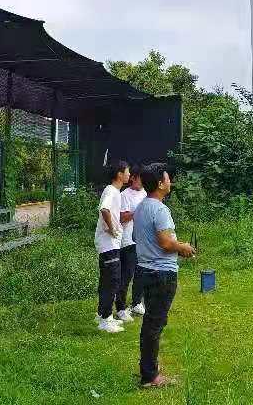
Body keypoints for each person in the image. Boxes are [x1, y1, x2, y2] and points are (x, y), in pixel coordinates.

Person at [134, 162, 196, 388]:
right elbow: (166, 243)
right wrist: (183, 247)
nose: (171, 182)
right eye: (168, 178)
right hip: (161, 274)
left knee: (151, 322)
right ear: (160, 184)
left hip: (145, 271)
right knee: (154, 324)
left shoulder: (141, 207)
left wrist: (175, 246)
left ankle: (149, 368)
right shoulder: (160, 210)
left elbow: (144, 239)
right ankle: (150, 376)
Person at [94, 160, 130, 333]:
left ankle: (102, 314)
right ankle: (106, 320)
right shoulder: (111, 191)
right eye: (127, 172)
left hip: (111, 245)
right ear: (119, 174)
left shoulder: (115, 191)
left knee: (107, 280)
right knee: (112, 281)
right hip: (108, 245)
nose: (129, 175)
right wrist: (111, 228)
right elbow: (104, 210)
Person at [115, 164, 147, 321]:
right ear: (133, 178)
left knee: (141, 273)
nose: (143, 181)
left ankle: (136, 302)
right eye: (140, 178)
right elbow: (122, 217)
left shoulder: (145, 193)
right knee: (126, 275)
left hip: (143, 240)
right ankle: (120, 308)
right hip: (128, 241)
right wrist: (139, 211)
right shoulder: (124, 195)